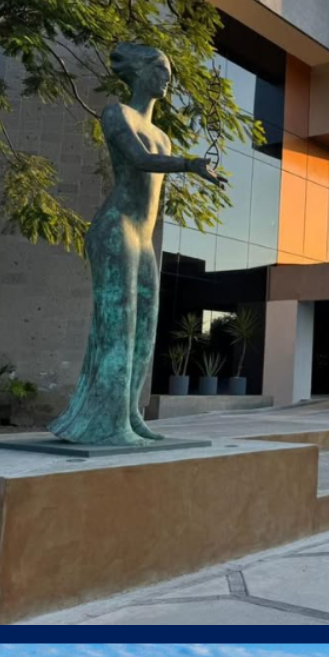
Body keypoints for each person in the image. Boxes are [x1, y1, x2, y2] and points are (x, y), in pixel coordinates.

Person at [48, 44, 227, 445]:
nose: (167, 78)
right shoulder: (118, 114)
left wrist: (190, 163)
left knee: (145, 329)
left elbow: (155, 159)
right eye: (162, 69)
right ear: (141, 71)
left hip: (144, 238)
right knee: (120, 327)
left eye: (170, 72)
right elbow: (137, 159)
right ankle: (108, 422)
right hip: (117, 228)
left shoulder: (162, 135)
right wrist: (189, 165)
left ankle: (129, 414)